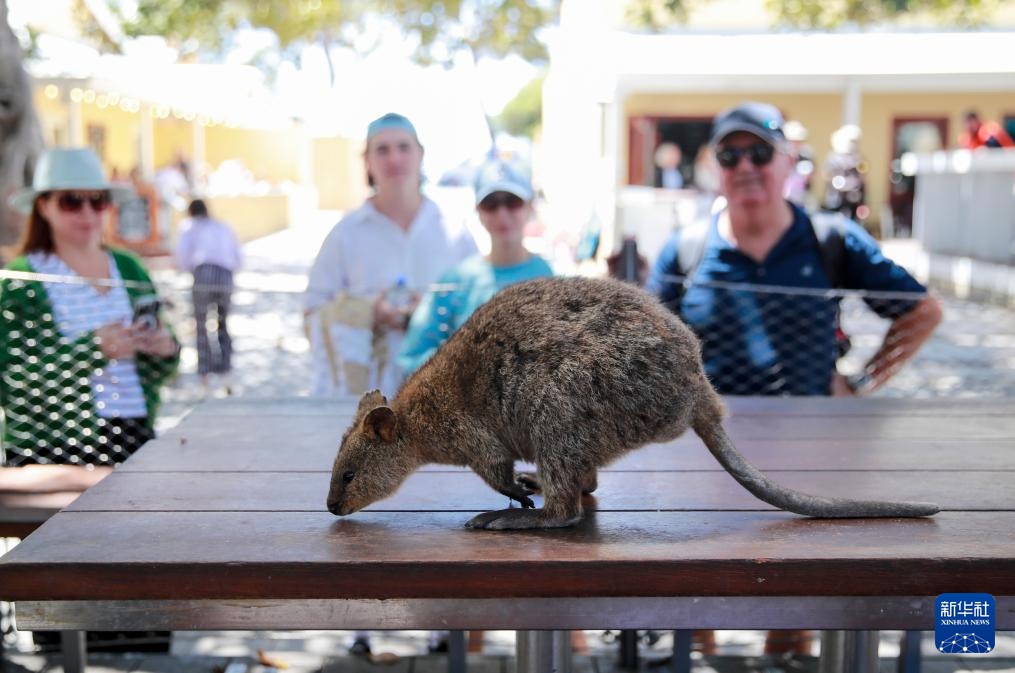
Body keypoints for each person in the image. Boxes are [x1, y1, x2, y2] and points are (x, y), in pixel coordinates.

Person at [646, 101, 943, 654]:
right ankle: (698, 652)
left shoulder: (831, 238)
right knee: (696, 592)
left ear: (787, 162)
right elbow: (641, 346)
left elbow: (922, 311)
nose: (746, 165)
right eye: (730, 154)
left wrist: (858, 384)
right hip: (711, 454)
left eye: (759, 151)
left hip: (813, 451)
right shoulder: (685, 250)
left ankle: (790, 650)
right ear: (716, 166)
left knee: (799, 592)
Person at [1, 147, 180, 467]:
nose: (87, 212)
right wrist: (93, 349)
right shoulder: (21, 281)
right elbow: (14, 384)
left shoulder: (129, 266)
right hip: (53, 449)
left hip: (134, 434)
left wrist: (165, 349)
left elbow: (157, 372)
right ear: (43, 206)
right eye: (71, 201)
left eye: (98, 200)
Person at [304, 113, 477, 400]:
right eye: (382, 150)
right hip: (367, 401)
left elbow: (480, 305)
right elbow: (312, 311)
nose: (394, 158)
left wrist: (431, 313)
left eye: (403, 147)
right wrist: (369, 312)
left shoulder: (454, 230)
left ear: (420, 155)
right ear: (367, 162)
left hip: (442, 397)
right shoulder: (345, 234)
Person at [399, 158, 554, 376]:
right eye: (491, 204)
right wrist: (461, 365)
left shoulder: (551, 279)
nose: (502, 214)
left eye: (512, 202)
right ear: (478, 212)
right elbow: (410, 358)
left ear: (529, 207)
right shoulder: (456, 281)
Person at [175, 198, 242, 395]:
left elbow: (182, 255)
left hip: (203, 272)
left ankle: (204, 378)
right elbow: (238, 255)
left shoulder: (189, 227)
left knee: (202, 326)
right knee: (223, 324)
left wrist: (191, 271)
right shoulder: (223, 226)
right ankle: (226, 374)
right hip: (225, 274)